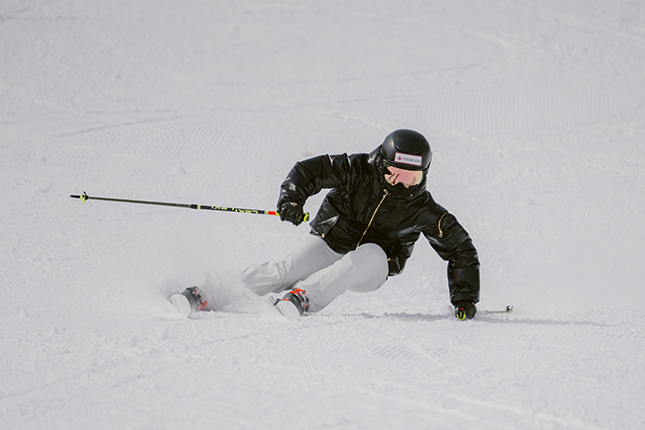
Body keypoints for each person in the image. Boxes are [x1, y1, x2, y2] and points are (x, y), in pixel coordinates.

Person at [236, 129, 480, 320]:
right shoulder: (358, 169)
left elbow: (460, 249)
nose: (401, 185)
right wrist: (291, 200)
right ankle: (215, 291)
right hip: (332, 240)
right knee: (288, 269)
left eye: (411, 178)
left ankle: (303, 298)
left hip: (373, 266)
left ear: (424, 174)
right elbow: (310, 171)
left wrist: (464, 299)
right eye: (394, 174)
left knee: (370, 253)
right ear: (381, 164)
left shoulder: (422, 208)